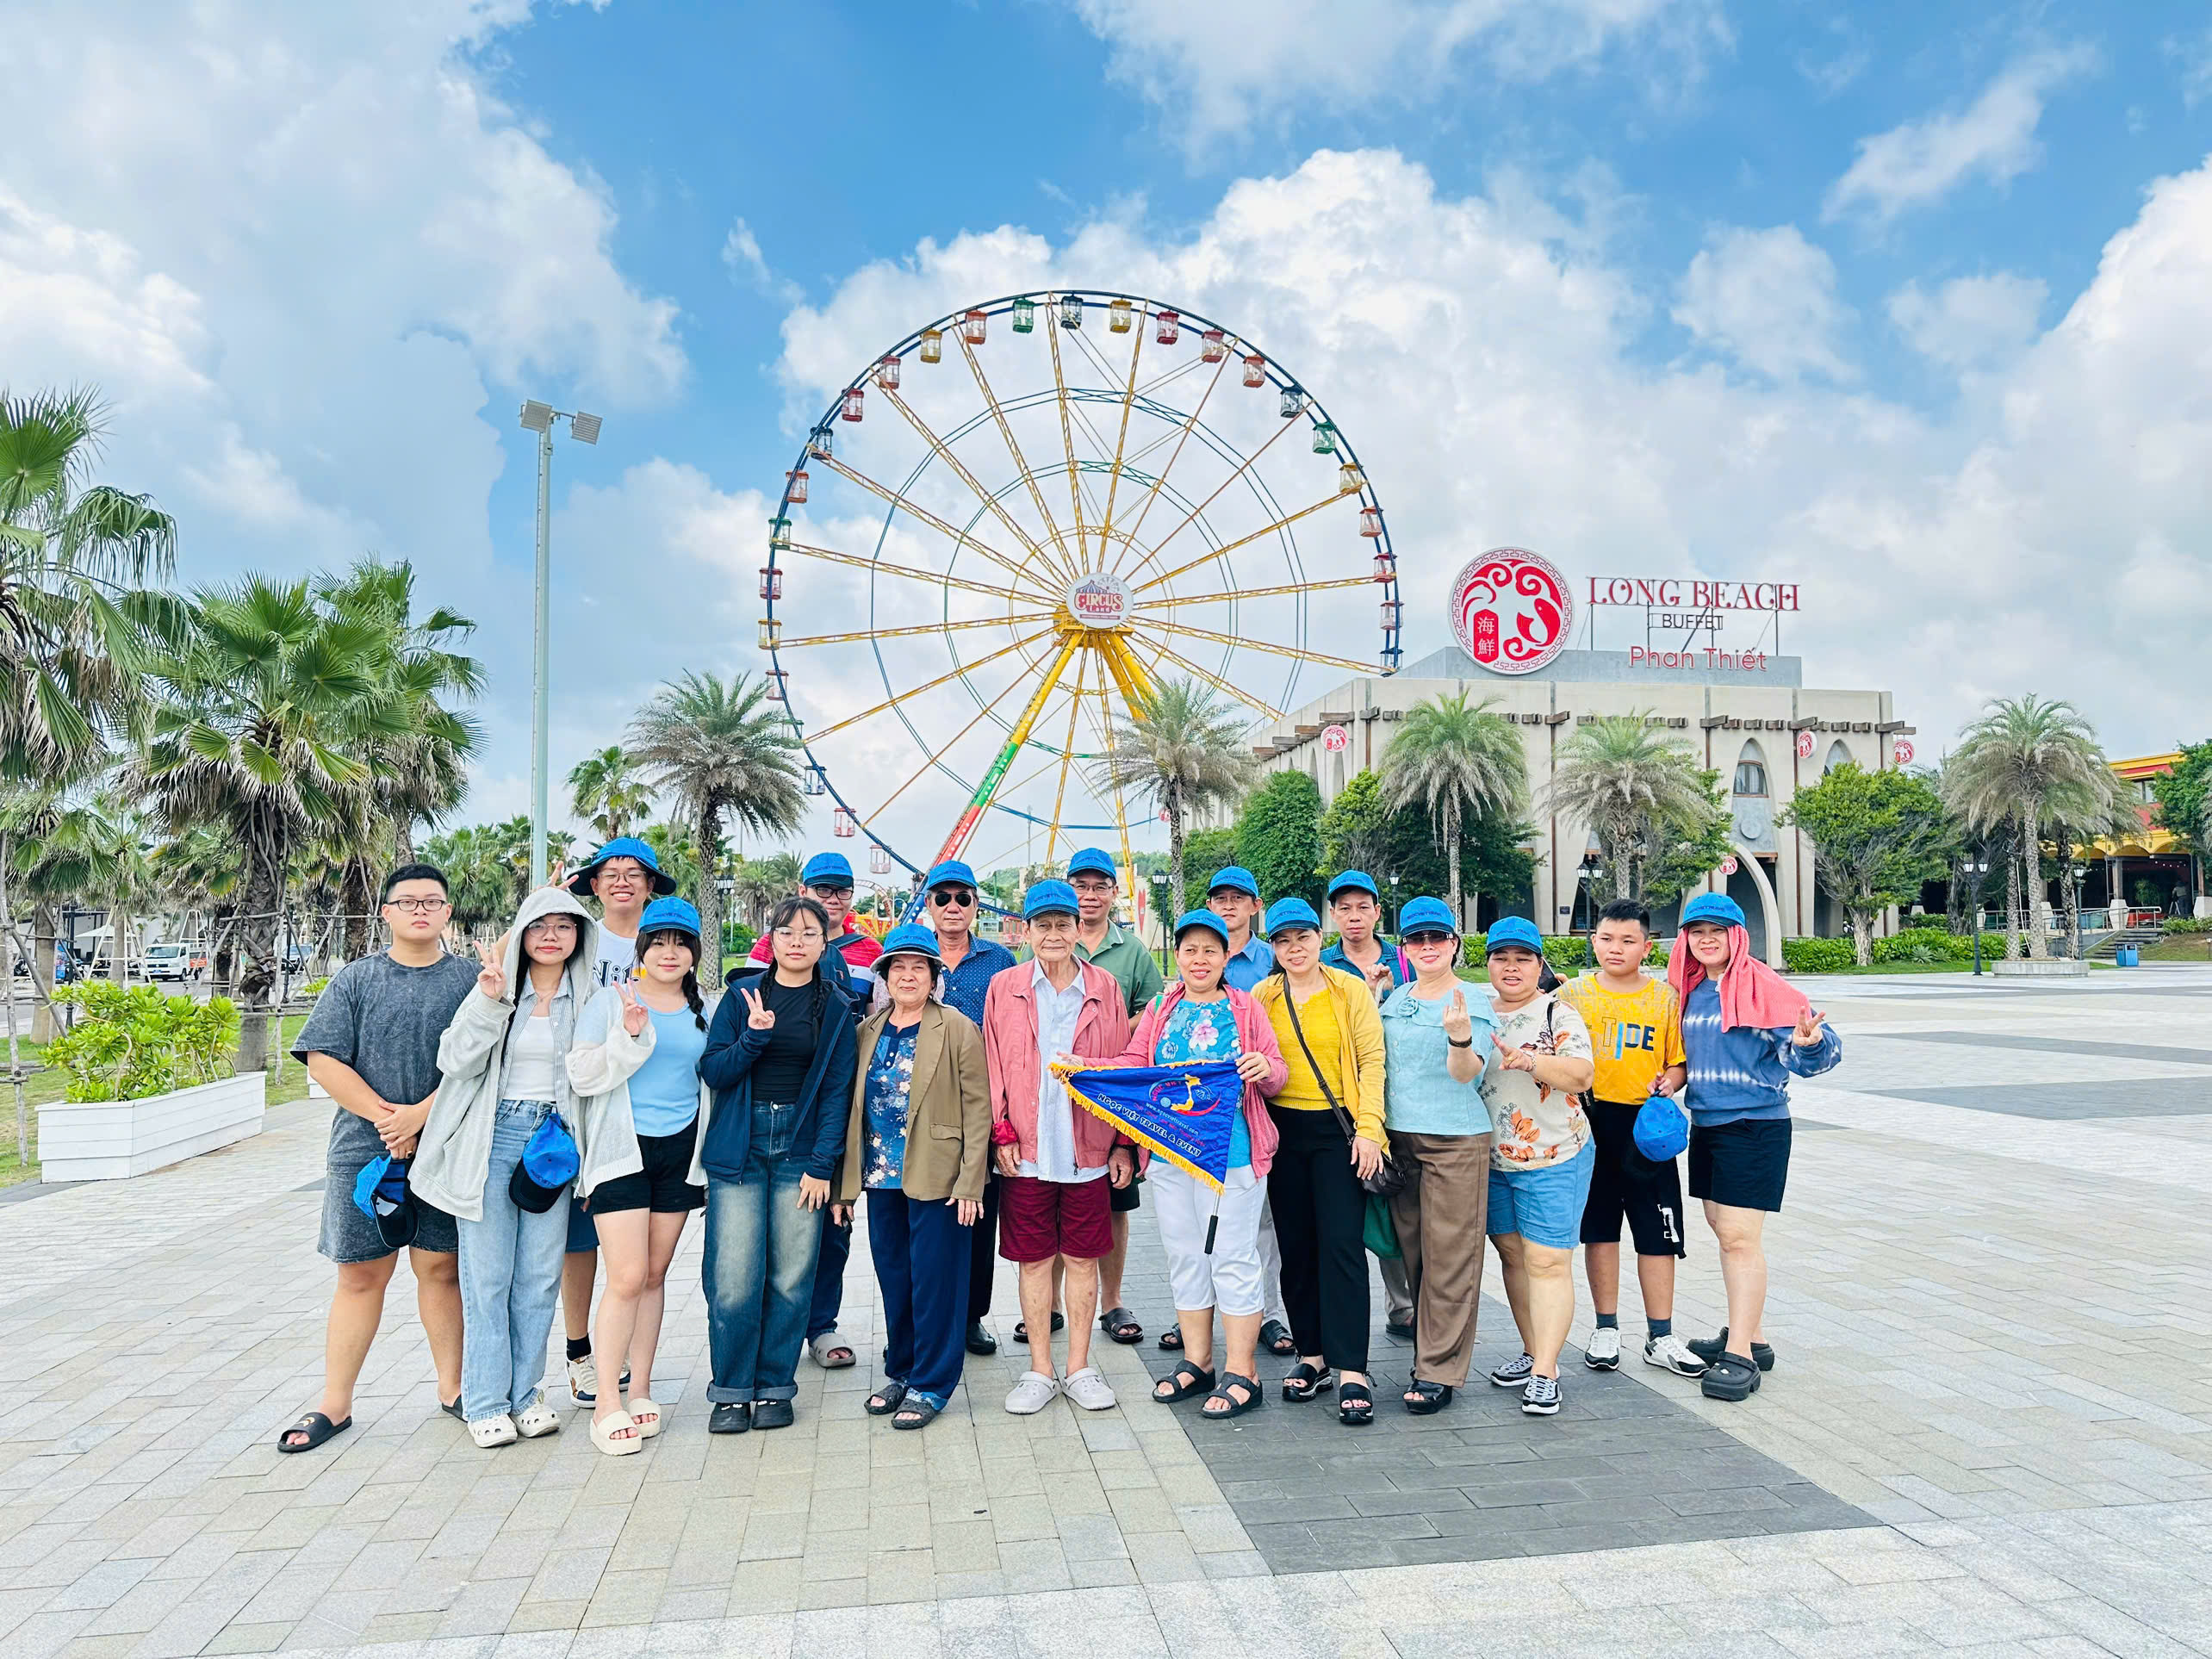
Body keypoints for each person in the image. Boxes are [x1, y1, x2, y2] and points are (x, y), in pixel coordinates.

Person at [278, 864, 478, 1452]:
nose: (420, 910)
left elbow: (486, 1063)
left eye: (432, 901)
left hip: (446, 1146)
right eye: (407, 902)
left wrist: (422, 1117)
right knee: (361, 1274)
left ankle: (454, 1388)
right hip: (365, 1151)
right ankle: (334, 1403)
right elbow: (323, 1059)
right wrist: (390, 1120)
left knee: (441, 1268)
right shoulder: (356, 979)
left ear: (447, 912)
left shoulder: (471, 980)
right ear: (386, 912)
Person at [413, 887, 618, 1448]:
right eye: (539, 926)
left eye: (564, 926)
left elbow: (601, 1083)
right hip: (492, 1137)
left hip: (554, 1147)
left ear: (580, 936)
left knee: (539, 1277)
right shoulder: (498, 988)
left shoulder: (593, 999)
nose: (551, 936)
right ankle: (485, 1402)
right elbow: (454, 1060)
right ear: (523, 934)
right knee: (487, 1277)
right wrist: (488, 1003)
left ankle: (526, 1396)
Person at [1098, 910, 1287, 1420]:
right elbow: (1135, 1066)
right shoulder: (1161, 1008)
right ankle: (1198, 1361)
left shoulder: (1246, 1009)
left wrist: (1265, 1068)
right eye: (1190, 950)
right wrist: (1088, 1071)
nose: (1199, 959)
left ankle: (1244, 1371)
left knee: (1232, 1257)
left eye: (1210, 950)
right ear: (1176, 956)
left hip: (1233, 1157)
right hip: (1170, 1154)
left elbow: (1277, 1073)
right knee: (1185, 1256)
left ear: (1226, 957)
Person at [1668, 892, 1840, 1401]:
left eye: (1717, 931)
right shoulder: (1690, 990)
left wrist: (1808, 1043)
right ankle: (1754, 1336)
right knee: (1722, 1229)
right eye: (1697, 931)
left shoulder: (1765, 986)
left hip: (1755, 1125)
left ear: (1738, 936)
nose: (1706, 940)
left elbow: (1816, 1052)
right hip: (1708, 1124)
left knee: (1740, 1239)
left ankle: (1740, 1354)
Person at [698, 895, 857, 1432]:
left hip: (801, 1148)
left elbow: (837, 1092)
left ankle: (774, 1387)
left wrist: (822, 1164)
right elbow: (714, 1071)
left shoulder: (837, 1007)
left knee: (791, 1275)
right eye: (787, 932)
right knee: (733, 1276)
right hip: (740, 1144)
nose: (797, 942)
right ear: (772, 939)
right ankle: (730, 1390)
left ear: (824, 942)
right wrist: (754, 1038)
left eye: (810, 933)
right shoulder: (741, 996)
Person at [564, 897, 715, 1455]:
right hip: (620, 1152)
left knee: (653, 1274)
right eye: (658, 943)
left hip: (681, 1153)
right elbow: (581, 1076)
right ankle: (607, 1400)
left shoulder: (707, 1008)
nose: (669, 953)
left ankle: (643, 1388)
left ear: (694, 952)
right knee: (626, 1277)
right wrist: (628, 1035)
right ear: (642, 949)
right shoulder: (609, 1002)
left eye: (680, 943)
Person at [979, 880, 1135, 1415]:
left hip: (1087, 1150)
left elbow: (1124, 1066)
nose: (1053, 934)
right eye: (1042, 925)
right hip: (1026, 1152)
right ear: (1026, 931)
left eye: (1062, 924)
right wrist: (1000, 1131)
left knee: (1084, 1258)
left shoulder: (1104, 987)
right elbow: (992, 1063)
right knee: (1034, 1260)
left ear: (1077, 929)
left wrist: (1123, 1144)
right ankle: (1040, 1370)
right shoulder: (1004, 986)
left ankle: (1079, 1368)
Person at [832, 924, 991, 1429]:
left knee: (936, 1282)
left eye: (918, 967)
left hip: (939, 1177)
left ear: (933, 976)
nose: (907, 975)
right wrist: (844, 1188)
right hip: (881, 1176)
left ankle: (932, 1383)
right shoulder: (868, 1030)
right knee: (896, 1278)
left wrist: (971, 1181)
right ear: (883, 976)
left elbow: (978, 1110)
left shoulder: (956, 1027)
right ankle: (901, 1370)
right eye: (897, 967)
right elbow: (851, 1109)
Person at [1251, 898, 1387, 1427]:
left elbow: (1372, 1061)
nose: (1294, 949)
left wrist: (1370, 1129)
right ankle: (1312, 1355)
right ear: (1273, 946)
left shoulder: (1348, 989)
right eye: (1282, 940)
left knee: (1341, 1245)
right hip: (1282, 1131)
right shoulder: (1263, 995)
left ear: (1319, 936)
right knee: (1296, 1246)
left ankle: (1352, 1366)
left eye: (1302, 937)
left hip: (1339, 1130)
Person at [1556, 898, 1703, 1378]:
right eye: (1605, 939)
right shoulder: (1572, 995)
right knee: (1599, 1229)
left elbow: (1678, 1062)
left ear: (1647, 947)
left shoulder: (1665, 999)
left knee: (1657, 1233)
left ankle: (1660, 1336)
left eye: (1627, 940)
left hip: (1646, 1130)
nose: (1615, 948)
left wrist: (1671, 1082)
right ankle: (1606, 1328)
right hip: (1588, 1124)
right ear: (1593, 941)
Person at [558, 837, 676, 1406]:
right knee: (580, 1239)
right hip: (585, 1096)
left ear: (651, 886)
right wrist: (543, 904)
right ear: (595, 885)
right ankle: (580, 1350)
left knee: (637, 1258)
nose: (622, 881)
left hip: (649, 1112)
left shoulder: (667, 943)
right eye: (610, 873)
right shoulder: (579, 938)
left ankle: (623, 1352)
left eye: (634, 873)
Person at [749, 853, 878, 1374]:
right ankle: (771, 1325)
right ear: (803, 890)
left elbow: (877, 1022)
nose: (832, 898)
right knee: (769, 1226)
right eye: (822, 888)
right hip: (775, 1105)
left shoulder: (870, 951)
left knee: (834, 1218)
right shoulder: (769, 947)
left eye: (842, 889)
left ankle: (821, 1324)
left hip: (839, 1100)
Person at [1377, 897, 1495, 1414]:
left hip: (1454, 1140)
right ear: (1404, 946)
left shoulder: (1472, 999)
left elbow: (1467, 1073)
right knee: (1414, 1255)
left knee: (1450, 1257)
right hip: (1399, 1141)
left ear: (1454, 943)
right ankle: (1428, 1351)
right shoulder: (1395, 997)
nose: (1428, 947)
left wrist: (1460, 1039)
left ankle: (1438, 1370)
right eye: (1417, 939)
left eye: (1437, 938)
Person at [1478, 917, 1597, 1416]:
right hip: (1491, 1161)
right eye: (1501, 958)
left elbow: (1582, 1074)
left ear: (1539, 964)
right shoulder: (1475, 1012)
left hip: (1555, 1156)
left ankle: (1547, 1371)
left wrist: (1531, 1062)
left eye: (1523, 958)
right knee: (1512, 1255)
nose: (1512, 967)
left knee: (1547, 1261)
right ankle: (1532, 1352)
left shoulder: (1557, 1012)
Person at [919, 859, 1018, 1360]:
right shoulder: (912, 954)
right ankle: (925, 1319)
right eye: (944, 898)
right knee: (926, 1213)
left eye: (963, 898)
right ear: (929, 904)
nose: (953, 906)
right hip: (922, 1101)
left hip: (982, 1100)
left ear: (976, 904)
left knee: (979, 1212)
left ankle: (972, 1315)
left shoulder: (1000, 960)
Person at [1067, 848, 1164, 1351]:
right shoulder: (1050, 938)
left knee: (1115, 1197)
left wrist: (1113, 1031)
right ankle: (1052, 1304)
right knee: (1055, 1191)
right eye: (1081, 886)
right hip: (1059, 1086)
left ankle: (1113, 1300)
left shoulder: (1133, 952)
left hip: (1115, 1088)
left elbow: (1156, 1009)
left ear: (1113, 893)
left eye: (1099, 887)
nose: (1089, 896)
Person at [1199, 867, 1296, 1358]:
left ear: (1256, 906)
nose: (1229, 905)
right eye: (1220, 898)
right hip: (1213, 1114)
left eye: (1239, 898)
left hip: (1272, 1100)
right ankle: (1202, 1314)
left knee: (1265, 1220)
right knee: (1208, 1219)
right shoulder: (1200, 958)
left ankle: (1270, 1313)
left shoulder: (1273, 960)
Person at [1320, 869, 1417, 1339]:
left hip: (1400, 1098)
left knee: (1393, 1199)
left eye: (1363, 907)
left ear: (1378, 912)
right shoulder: (1321, 962)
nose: (1354, 916)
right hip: (1339, 1108)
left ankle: (1405, 1305)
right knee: (1345, 1210)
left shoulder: (1406, 958)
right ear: (1332, 914)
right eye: (1345, 908)